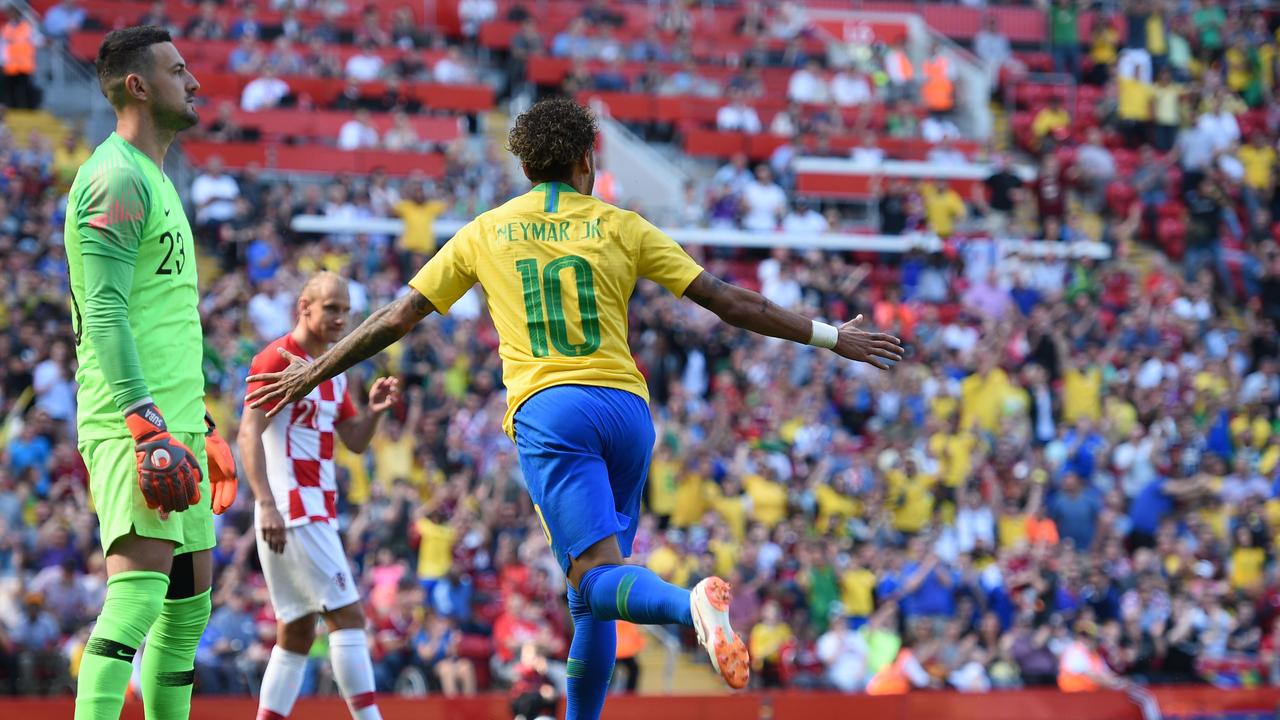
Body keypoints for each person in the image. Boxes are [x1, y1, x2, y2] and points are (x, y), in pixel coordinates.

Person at [246, 97, 903, 720]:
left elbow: (398, 316)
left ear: (524, 166)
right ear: (588, 161)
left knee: (594, 580)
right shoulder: (622, 225)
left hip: (551, 411)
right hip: (627, 412)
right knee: (589, 597)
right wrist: (831, 335)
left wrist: (318, 370)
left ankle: (688, 604)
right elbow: (733, 302)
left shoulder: (487, 230)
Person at [65, 26, 237, 720]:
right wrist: (146, 426)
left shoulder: (157, 177)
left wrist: (200, 426)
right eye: (177, 70)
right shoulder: (113, 176)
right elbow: (103, 315)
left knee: (188, 613)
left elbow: (159, 321)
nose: (193, 82)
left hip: (176, 424)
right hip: (134, 424)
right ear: (138, 86)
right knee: (137, 600)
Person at [240, 272, 401, 720]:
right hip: (293, 508)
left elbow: (353, 439)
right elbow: (248, 433)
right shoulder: (276, 357)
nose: (340, 318)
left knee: (295, 633)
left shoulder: (331, 368)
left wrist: (373, 412)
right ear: (304, 307)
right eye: (331, 308)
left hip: (311, 510)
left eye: (346, 310)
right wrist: (266, 503)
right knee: (347, 618)